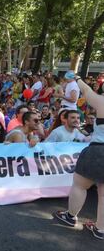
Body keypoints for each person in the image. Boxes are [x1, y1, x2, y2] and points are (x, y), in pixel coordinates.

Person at [54, 75, 104, 239]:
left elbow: (87, 91)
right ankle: (100, 229)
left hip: (98, 151)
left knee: (80, 184)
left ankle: (70, 216)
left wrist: (78, 79)